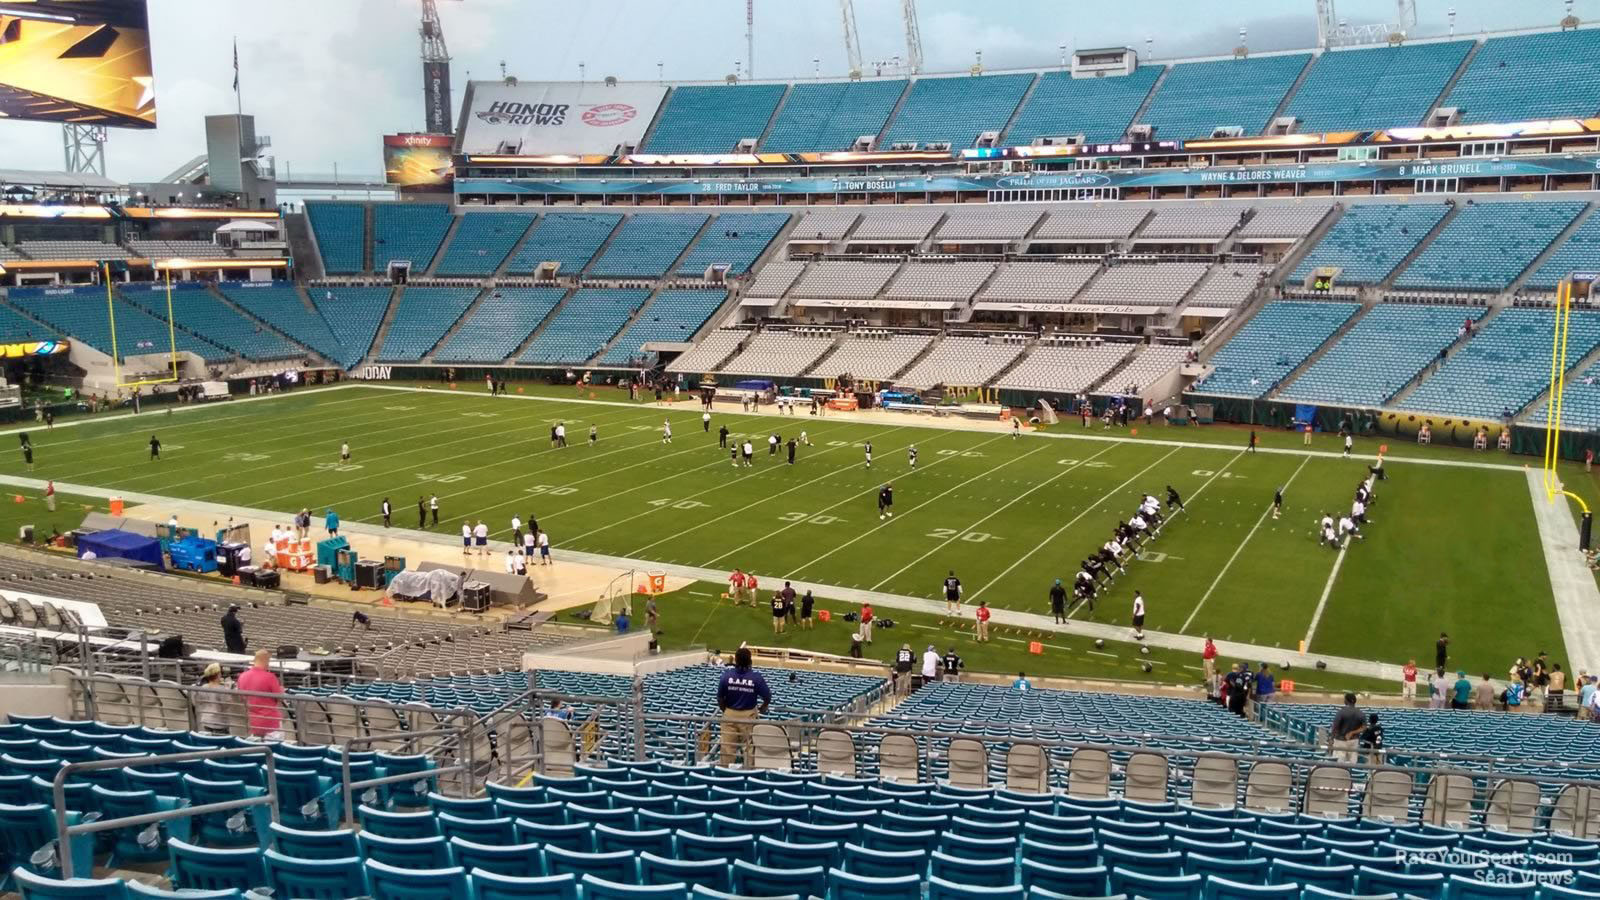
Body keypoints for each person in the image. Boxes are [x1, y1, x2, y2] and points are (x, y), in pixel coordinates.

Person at [717, 647, 771, 767]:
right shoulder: (756, 677)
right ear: (750, 661)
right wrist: (763, 707)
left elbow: (720, 698)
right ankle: (749, 773)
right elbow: (767, 696)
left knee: (727, 748)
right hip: (748, 716)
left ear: (735, 660)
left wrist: (726, 711)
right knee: (749, 747)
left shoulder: (726, 675)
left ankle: (724, 775)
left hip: (729, 714)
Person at [237, 649, 285, 738]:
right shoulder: (270, 677)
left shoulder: (242, 676)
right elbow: (280, 698)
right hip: (270, 723)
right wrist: (281, 689)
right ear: (265, 661)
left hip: (253, 722)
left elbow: (242, 698)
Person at [195, 662, 231, 734]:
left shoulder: (203, 687)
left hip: (206, 721)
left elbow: (198, 702)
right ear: (218, 674)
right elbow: (226, 705)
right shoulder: (222, 689)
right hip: (220, 722)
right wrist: (228, 690)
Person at [1331, 693, 1365, 763]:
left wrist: (1331, 738)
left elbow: (1335, 727)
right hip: (1353, 741)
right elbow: (1364, 728)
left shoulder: (1341, 712)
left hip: (1340, 740)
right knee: (1352, 763)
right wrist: (1352, 732)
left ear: (1346, 700)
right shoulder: (1360, 713)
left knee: (1339, 763)